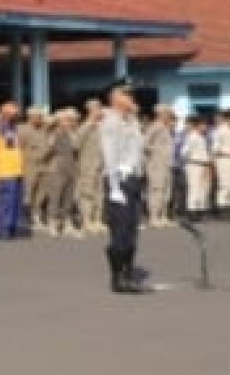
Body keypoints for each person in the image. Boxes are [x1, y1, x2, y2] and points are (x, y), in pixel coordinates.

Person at [100, 80, 150, 294]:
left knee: (131, 230)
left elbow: (137, 151)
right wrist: (114, 187)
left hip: (133, 180)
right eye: (127, 95)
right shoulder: (110, 122)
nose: (132, 99)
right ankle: (118, 278)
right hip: (119, 180)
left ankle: (128, 274)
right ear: (115, 98)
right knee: (120, 231)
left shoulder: (131, 121)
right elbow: (109, 155)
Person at [0, 103, 25, 240]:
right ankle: (4, 229)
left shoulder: (15, 130)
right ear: (5, 114)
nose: (16, 116)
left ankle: (14, 227)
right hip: (5, 171)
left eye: (16, 114)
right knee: (6, 202)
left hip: (18, 171)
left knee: (17, 201)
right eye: (13, 114)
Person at [45, 109, 81, 237]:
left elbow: (76, 148)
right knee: (56, 196)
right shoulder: (54, 133)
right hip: (58, 168)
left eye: (71, 120)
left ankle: (67, 222)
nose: (70, 122)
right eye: (67, 120)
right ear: (60, 121)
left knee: (68, 196)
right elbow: (48, 150)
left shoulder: (73, 133)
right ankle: (52, 223)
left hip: (70, 167)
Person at [20, 108, 54, 231]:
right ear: (30, 117)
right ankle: (26, 217)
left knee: (42, 191)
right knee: (29, 191)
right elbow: (19, 148)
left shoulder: (44, 129)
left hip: (44, 164)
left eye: (40, 117)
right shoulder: (23, 130)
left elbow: (53, 122)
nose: (39, 119)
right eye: (37, 116)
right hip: (30, 164)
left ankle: (36, 215)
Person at [75, 99, 105, 234]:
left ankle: (97, 219)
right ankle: (87, 221)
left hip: (100, 165)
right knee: (87, 193)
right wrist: (89, 126)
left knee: (99, 193)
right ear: (90, 110)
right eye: (96, 108)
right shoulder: (85, 127)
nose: (99, 111)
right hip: (87, 165)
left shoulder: (101, 126)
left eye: (99, 108)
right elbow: (76, 144)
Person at [144, 107, 175, 228]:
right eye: (167, 114)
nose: (169, 116)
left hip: (167, 164)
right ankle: (154, 217)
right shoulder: (155, 127)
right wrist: (157, 151)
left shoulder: (167, 128)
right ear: (160, 114)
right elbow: (145, 144)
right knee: (157, 189)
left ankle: (163, 215)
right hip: (157, 164)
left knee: (166, 191)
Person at [182, 114, 212, 219]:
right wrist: (193, 159)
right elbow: (184, 152)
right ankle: (191, 210)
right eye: (203, 125)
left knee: (201, 189)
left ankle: (199, 210)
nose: (205, 127)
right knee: (194, 188)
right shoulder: (192, 137)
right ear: (198, 125)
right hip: (194, 165)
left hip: (202, 165)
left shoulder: (201, 137)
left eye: (206, 125)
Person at [212, 111, 230, 215]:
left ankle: (227, 206)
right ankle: (222, 208)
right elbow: (215, 148)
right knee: (224, 184)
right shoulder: (220, 130)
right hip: (223, 159)